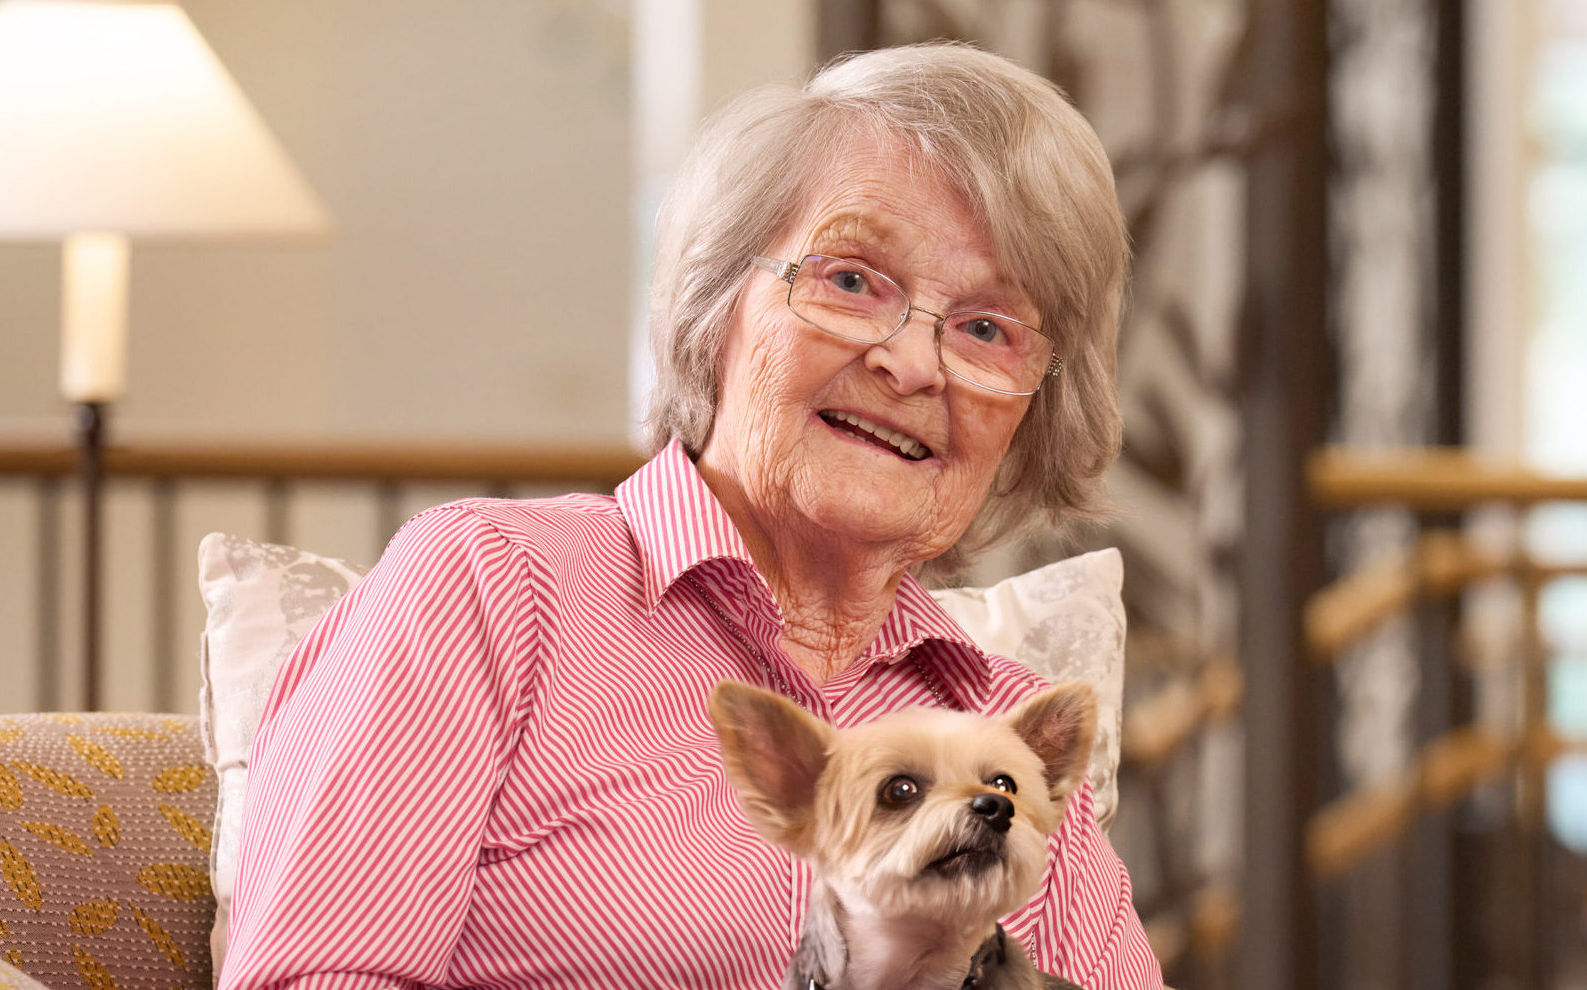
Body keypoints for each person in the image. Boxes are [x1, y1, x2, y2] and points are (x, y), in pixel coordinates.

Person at [220, 42, 1156, 990]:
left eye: (987, 330)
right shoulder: (488, 589)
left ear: (1034, 409)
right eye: (850, 281)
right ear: (718, 306)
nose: (911, 365)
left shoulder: (1006, 736)